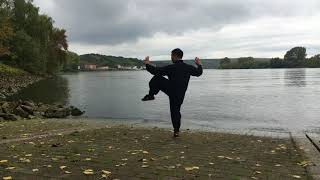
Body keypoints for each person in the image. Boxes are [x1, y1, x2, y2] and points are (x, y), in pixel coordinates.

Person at [142, 48, 203, 137]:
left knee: (156, 78)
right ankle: (176, 131)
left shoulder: (172, 67)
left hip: (170, 89)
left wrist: (147, 64)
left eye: (171, 55)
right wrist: (199, 64)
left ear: (174, 56)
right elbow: (198, 73)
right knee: (175, 111)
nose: (171, 57)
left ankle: (151, 95)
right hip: (180, 94)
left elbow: (156, 71)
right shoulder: (188, 67)